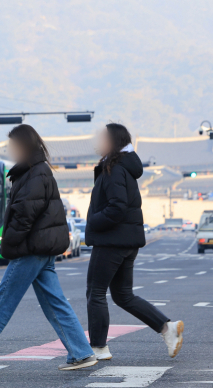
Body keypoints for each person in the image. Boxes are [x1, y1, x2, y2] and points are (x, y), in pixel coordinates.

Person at [0, 124, 97, 371]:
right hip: (41, 249)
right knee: (54, 303)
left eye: (13, 146)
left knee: (2, 300)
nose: (10, 150)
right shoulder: (35, 170)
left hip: (31, 249)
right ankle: (81, 352)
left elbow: (24, 215)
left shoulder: (35, 173)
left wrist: (9, 245)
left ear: (24, 146)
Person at [85, 123, 184, 360]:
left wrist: (93, 222)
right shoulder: (123, 167)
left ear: (113, 142)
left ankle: (98, 347)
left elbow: (117, 207)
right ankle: (167, 328)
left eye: (101, 137)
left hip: (112, 242)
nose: (96, 141)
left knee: (95, 292)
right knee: (123, 295)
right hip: (126, 242)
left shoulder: (114, 169)